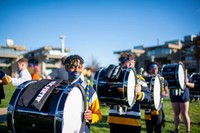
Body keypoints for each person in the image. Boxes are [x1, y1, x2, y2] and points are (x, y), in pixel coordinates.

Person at [107, 52, 151, 133]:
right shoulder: (114, 77)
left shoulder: (140, 79)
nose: (130, 65)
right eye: (128, 63)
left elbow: (148, 98)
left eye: (132, 63)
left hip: (133, 121)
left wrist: (139, 94)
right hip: (115, 119)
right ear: (122, 64)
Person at [62, 54, 102, 133]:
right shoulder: (61, 87)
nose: (76, 70)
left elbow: (98, 115)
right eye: (73, 67)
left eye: (79, 67)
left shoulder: (89, 90)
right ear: (66, 68)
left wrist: (91, 117)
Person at [169, 61, 194, 133]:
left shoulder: (187, 75)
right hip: (174, 95)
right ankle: (176, 129)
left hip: (184, 96)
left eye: (181, 65)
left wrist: (187, 83)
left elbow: (193, 85)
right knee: (176, 113)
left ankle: (187, 130)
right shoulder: (172, 75)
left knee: (184, 113)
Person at [144, 62, 169, 133]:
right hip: (148, 108)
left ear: (158, 69)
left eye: (156, 68)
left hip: (158, 107)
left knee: (158, 129)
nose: (154, 69)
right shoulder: (145, 79)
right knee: (149, 129)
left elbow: (167, 92)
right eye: (152, 67)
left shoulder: (162, 79)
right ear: (149, 70)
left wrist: (164, 94)